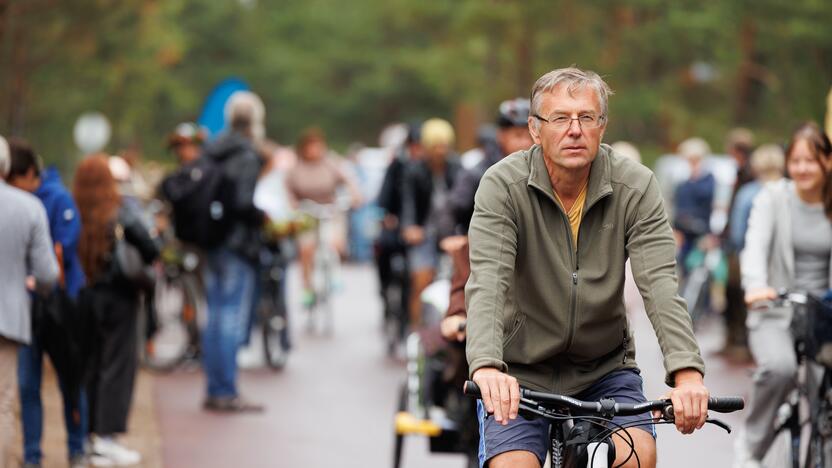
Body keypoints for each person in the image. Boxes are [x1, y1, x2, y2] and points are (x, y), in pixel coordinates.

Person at [465, 67, 709, 468]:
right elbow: (488, 280)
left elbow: (661, 285)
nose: (574, 129)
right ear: (534, 129)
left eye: (586, 117)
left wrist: (687, 374)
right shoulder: (502, 185)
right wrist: (489, 366)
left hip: (605, 368)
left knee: (637, 456)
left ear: (602, 126)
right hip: (520, 372)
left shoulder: (636, 185)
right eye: (560, 118)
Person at [735, 122, 832, 468]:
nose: (803, 168)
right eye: (797, 160)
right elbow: (755, 247)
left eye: (812, 160)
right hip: (775, 306)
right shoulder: (773, 198)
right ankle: (752, 446)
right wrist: (756, 286)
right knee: (780, 368)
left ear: (828, 161)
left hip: (825, 315)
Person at [73, 154, 159, 467]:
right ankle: (107, 439)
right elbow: (150, 248)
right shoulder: (119, 210)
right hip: (119, 297)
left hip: (84, 297)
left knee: (90, 367)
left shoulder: (75, 211)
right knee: (117, 368)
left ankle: (84, 435)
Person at [6, 139, 87, 468]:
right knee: (27, 385)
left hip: (60, 305)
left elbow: (62, 249)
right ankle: (32, 455)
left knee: (71, 378)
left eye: (12, 179)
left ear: (28, 174)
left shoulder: (57, 199)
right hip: (24, 306)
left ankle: (77, 447)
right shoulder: (17, 203)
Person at [200, 90, 268, 412]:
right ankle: (226, 390)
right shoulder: (246, 154)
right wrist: (262, 217)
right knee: (230, 318)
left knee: (214, 315)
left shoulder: (213, 149)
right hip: (237, 244)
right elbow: (242, 202)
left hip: (211, 241)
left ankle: (214, 387)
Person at [0, 135, 59, 467]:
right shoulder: (29, 207)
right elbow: (48, 273)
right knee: (3, 404)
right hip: (8, 317)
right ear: (6, 167)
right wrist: (34, 285)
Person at [285, 127, 362, 306]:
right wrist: (293, 204)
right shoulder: (296, 168)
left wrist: (355, 195)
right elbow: (288, 189)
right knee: (306, 249)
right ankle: (307, 288)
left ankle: (335, 274)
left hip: (329, 209)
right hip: (307, 212)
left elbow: (348, 180)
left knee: (334, 242)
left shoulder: (330, 163)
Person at [401, 118, 460, 328]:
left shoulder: (457, 168)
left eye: (444, 146)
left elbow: (467, 201)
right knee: (421, 280)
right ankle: (416, 331)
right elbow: (407, 204)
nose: (440, 151)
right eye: (435, 146)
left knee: (460, 283)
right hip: (424, 233)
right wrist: (410, 227)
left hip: (452, 233)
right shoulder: (414, 172)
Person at [672, 137, 716, 272]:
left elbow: (709, 207)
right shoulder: (683, 182)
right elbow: (678, 208)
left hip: (701, 236)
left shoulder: (708, 181)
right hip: (684, 238)